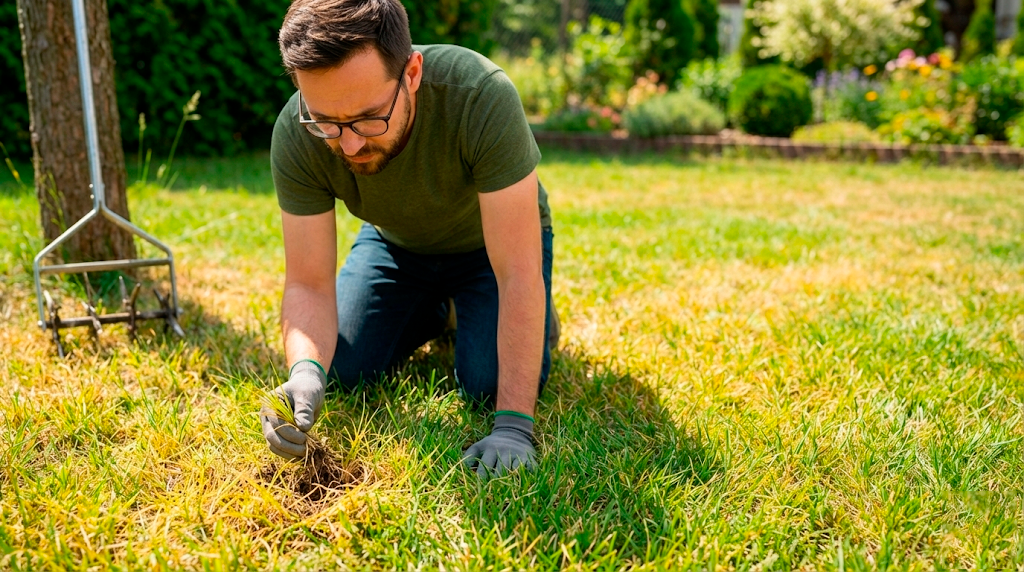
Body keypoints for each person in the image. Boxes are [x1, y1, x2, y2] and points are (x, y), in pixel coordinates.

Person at [258, 0, 556, 478]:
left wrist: (515, 427)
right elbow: (308, 283)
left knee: (487, 381)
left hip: (491, 253)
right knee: (343, 371)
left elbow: (517, 272)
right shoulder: (296, 135)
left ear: (412, 73)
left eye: (368, 118)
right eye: (326, 122)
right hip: (396, 249)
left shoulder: (481, 95)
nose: (348, 145)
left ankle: (522, 318)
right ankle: (434, 307)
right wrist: (304, 371)